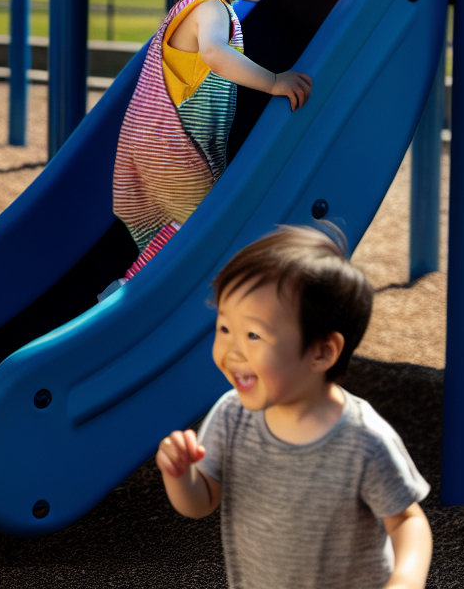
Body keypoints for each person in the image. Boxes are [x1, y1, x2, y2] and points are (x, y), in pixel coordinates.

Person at [156, 226, 432, 589]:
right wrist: (181, 476)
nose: (233, 351)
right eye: (224, 328)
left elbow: (408, 521)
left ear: (321, 352)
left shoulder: (363, 441)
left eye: (253, 335)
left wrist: (405, 580)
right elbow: (202, 501)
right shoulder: (231, 416)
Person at [111, 0, 313, 289]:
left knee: (194, 223)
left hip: (155, 146)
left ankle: (139, 285)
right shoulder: (209, 8)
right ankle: (129, 292)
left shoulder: (193, 4)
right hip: (172, 151)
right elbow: (217, 56)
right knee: (200, 226)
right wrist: (275, 82)